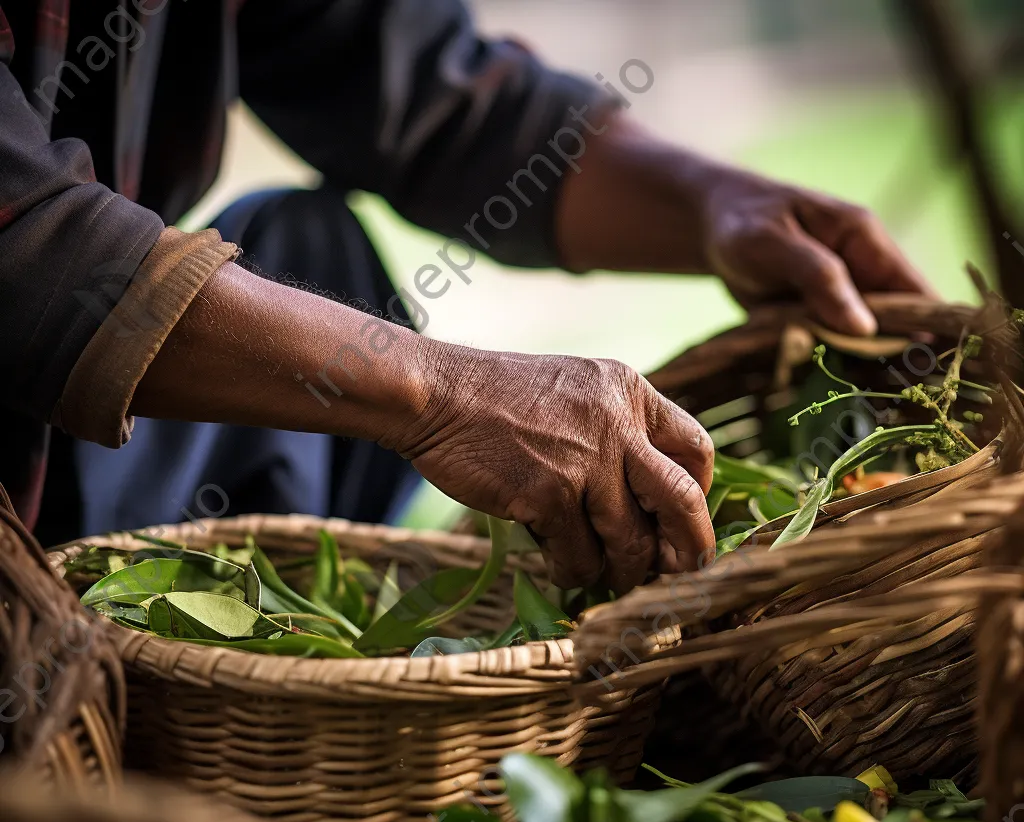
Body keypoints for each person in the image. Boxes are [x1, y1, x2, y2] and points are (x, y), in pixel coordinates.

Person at [0, 1, 931, 594]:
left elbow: (437, 95)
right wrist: (443, 398)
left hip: (67, 446)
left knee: (311, 243)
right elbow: (28, 244)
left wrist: (711, 202)